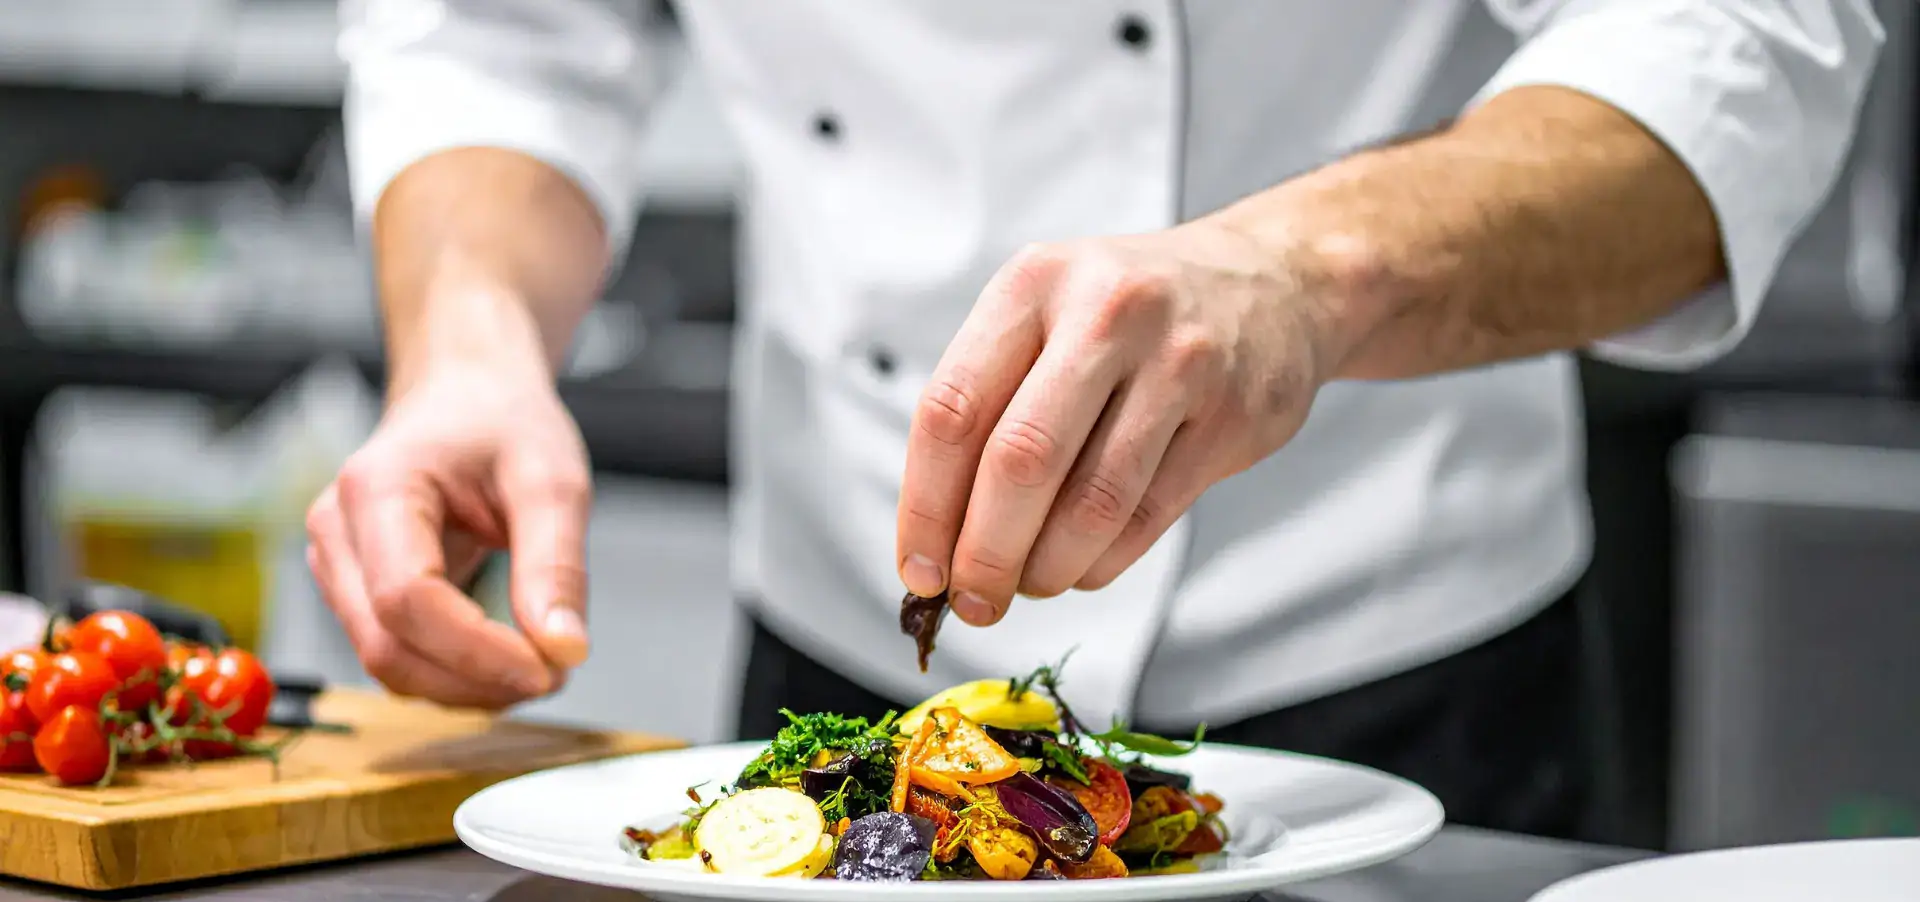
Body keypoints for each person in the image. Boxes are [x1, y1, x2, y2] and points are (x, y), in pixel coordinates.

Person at [312, 0, 1880, 841]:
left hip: (1400, 649)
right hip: (847, 661)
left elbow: (1740, 35)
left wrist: (1307, 273)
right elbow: (494, 34)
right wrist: (467, 341)